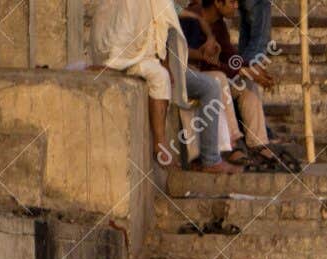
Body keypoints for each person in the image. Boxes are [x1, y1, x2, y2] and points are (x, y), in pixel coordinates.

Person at [91, 0, 184, 164]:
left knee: (164, 74)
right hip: (119, 55)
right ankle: (159, 144)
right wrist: (115, 59)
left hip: (134, 53)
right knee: (160, 77)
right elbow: (122, 30)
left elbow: (168, 15)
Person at [186, 0, 274, 159]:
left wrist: (251, 69)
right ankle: (233, 143)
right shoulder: (192, 17)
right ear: (218, 3)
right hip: (194, 77)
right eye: (232, 2)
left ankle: (258, 144)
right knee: (219, 79)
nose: (236, 6)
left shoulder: (218, 24)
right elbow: (199, 60)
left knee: (246, 83)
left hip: (215, 73)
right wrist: (241, 70)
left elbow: (230, 55)